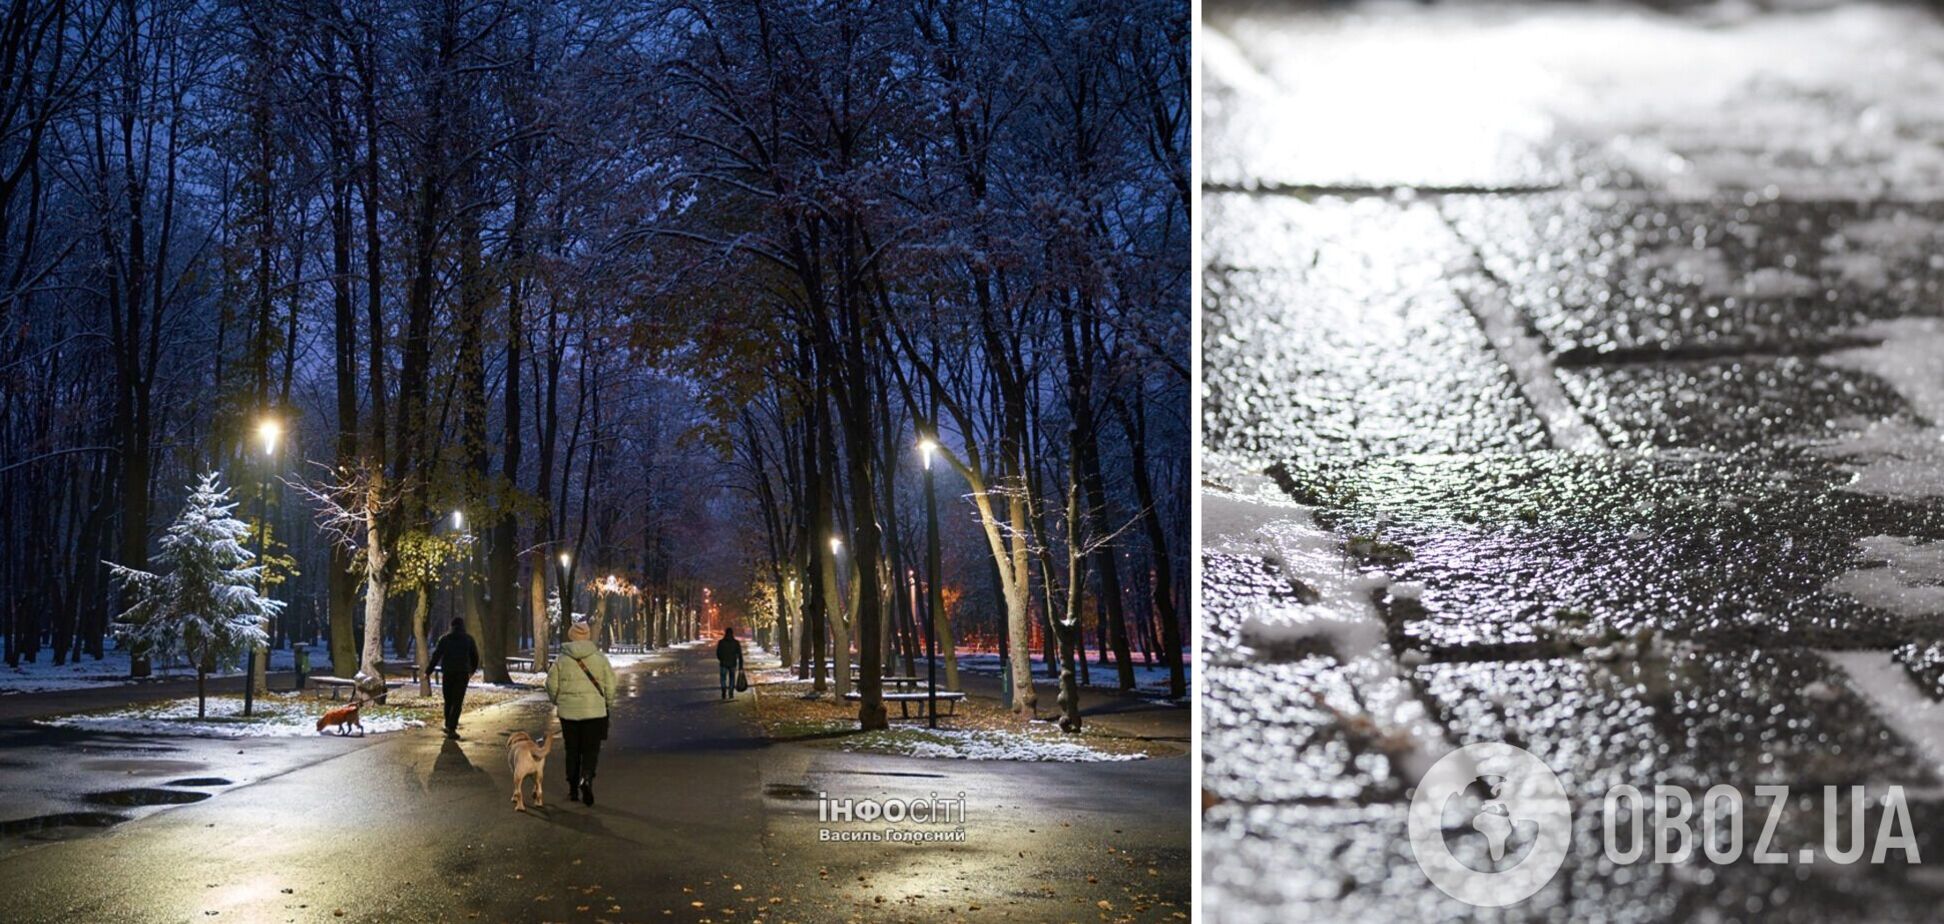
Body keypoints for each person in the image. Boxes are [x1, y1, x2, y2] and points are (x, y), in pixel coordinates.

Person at [546, 622, 617, 806]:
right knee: (591, 749)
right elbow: (611, 684)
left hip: (568, 713)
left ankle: (572, 789)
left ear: (571, 636)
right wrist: (606, 703)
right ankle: (587, 777)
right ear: (587, 636)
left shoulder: (562, 659)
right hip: (594, 712)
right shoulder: (600, 658)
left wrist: (557, 700)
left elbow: (551, 684)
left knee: (572, 750)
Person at [427, 617, 480, 738]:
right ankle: (452, 727)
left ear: (452, 626)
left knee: (448, 700)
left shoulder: (445, 639)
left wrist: (428, 671)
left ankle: (447, 724)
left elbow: (436, 656)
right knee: (457, 701)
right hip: (462, 673)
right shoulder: (468, 639)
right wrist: (472, 670)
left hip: (448, 673)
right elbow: (475, 656)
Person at [716, 627, 744, 700]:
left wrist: (721, 659)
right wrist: (741, 666)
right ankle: (731, 691)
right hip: (733, 663)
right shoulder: (736, 643)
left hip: (723, 663)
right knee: (732, 678)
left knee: (723, 678)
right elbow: (740, 655)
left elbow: (718, 653)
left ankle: (724, 688)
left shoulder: (721, 642)